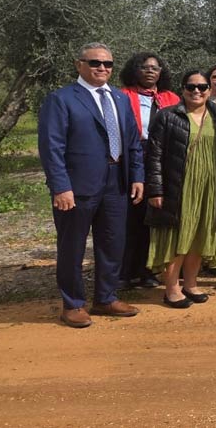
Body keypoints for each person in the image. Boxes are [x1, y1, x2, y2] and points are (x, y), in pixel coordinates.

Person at [38, 43, 145, 327]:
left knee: (112, 243)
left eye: (108, 64)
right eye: (95, 62)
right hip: (77, 186)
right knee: (72, 246)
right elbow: (51, 147)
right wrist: (60, 186)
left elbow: (133, 142)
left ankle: (106, 298)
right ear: (79, 65)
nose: (102, 68)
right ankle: (73, 304)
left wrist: (137, 175)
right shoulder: (61, 99)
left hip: (117, 182)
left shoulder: (120, 98)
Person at [145, 71, 216, 308]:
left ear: (209, 89)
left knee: (200, 234)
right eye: (191, 86)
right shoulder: (167, 116)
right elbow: (154, 155)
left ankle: (190, 283)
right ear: (183, 89)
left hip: (210, 187)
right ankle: (171, 288)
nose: (196, 91)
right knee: (178, 236)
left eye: (202, 87)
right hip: (178, 186)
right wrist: (155, 190)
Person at [118, 52, 181, 290]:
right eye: (144, 67)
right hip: (133, 157)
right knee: (130, 217)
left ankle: (148, 271)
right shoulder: (123, 96)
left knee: (153, 217)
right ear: (135, 71)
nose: (150, 71)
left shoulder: (171, 98)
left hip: (163, 161)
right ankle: (124, 272)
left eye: (155, 68)